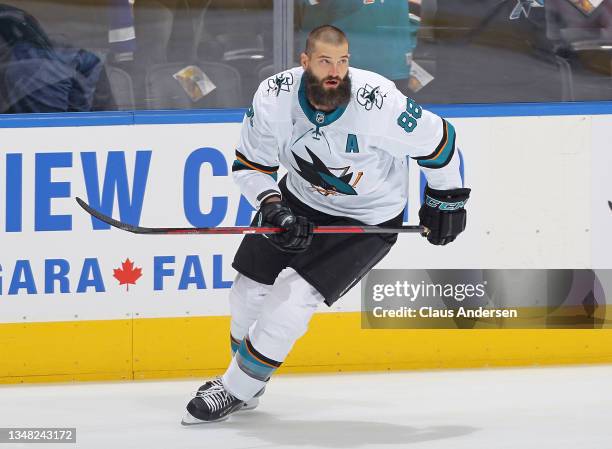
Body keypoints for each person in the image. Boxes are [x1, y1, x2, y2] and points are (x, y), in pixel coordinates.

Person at [182, 24, 470, 424]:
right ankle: (248, 380)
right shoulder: (273, 97)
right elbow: (250, 166)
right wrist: (273, 206)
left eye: (343, 62)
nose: (336, 71)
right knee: (246, 293)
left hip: (366, 218)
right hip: (298, 200)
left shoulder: (379, 102)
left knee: (292, 299)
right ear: (305, 63)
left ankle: (232, 390)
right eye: (324, 62)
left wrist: (446, 200)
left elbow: (440, 142)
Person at [296, 0, 420, 94]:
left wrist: (407, 47)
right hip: (342, 68)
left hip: (394, 66)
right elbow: (308, 14)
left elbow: (417, 11)